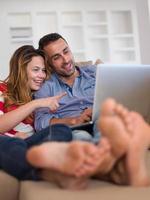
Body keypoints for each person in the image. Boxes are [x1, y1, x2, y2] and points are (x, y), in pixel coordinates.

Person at [0, 45, 111, 189]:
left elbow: (44, 129)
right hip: (6, 143)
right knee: (8, 144)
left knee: (61, 130)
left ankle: (97, 157)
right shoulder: (3, 90)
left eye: (44, 71)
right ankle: (49, 174)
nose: (42, 76)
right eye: (36, 70)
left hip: (29, 144)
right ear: (21, 70)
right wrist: (35, 104)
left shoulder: (38, 95)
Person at [34, 32, 99, 142]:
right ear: (48, 63)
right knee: (83, 138)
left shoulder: (96, 72)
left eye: (66, 51)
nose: (66, 60)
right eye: (56, 57)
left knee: (108, 129)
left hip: (101, 122)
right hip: (74, 131)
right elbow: (40, 122)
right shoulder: (45, 86)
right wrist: (75, 120)